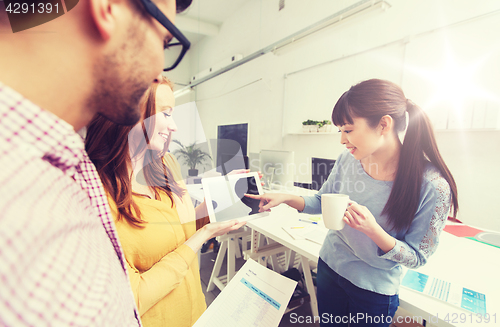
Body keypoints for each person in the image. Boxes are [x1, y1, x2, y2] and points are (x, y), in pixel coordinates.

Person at [0, 0, 192, 325]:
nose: (159, 68)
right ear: (108, 8)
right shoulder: (18, 205)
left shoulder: (68, 166)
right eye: (163, 40)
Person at [247, 79, 458, 327]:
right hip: (329, 268)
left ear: (383, 125)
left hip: (372, 291)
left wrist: (373, 230)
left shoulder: (432, 186)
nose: (342, 140)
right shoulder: (348, 161)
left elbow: (417, 256)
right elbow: (320, 201)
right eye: (340, 131)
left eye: (348, 130)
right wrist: (286, 198)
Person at [85, 76, 246, 327]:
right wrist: (202, 236)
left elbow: (183, 224)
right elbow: (132, 298)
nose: (174, 127)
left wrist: (219, 198)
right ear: (126, 113)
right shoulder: (95, 194)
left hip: (196, 313)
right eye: (166, 113)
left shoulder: (165, 164)